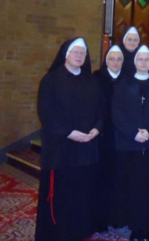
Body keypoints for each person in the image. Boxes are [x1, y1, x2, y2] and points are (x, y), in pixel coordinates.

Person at [35, 37, 103, 241]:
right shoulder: (51, 80)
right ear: (66, 54)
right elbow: (46, 113)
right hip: (61, 150)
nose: (79, 56)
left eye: (83, 53)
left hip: (86, 151)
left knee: (82, 194)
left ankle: (79, 232)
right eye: (76, 52)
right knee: (61, 196)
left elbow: (101, 110)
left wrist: (97, 129)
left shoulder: (92, 81)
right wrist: (68, 132)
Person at [112, 45, 149, 241]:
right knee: (133, 186)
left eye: (147, 59)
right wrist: (133, 133)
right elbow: (117, 113)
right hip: (130, 145)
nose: (144, 62)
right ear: (134, 62)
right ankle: (135, 226)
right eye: (140, 59)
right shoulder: (122, 85)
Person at [93, 45, 124, 229]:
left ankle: (118, 216)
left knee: (120, 177)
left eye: (119, 59)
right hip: (102, 135)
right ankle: (100, 219)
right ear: (106, 60)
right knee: (101, 178)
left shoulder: (127, 79)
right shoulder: (96, 78)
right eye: (111, 59)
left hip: (122, 137)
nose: (115, 62)